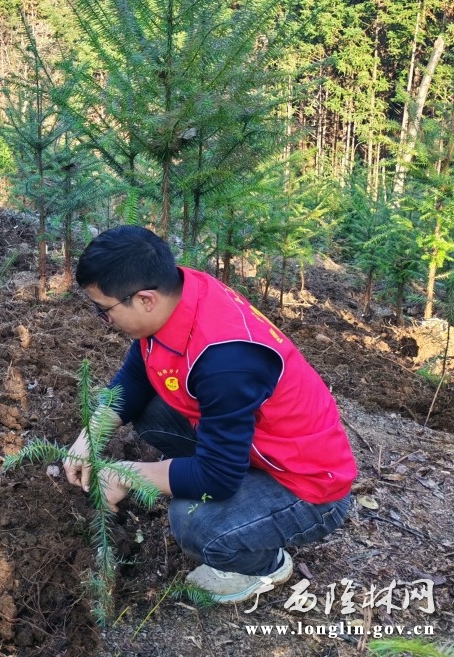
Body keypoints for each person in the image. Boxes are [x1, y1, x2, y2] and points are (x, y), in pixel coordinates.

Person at [63, 225, 356, 604]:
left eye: (104, 311)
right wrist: (91, 435)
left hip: (307, 483)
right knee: (151, 412)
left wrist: (128, 475)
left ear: (146, 299)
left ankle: (264, 565)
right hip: (252, 444)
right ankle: (229, 489)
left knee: (192, 520)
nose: (104, 320)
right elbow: (138, 374)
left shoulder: (226, 360)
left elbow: (218, 477)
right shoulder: (180, 294)